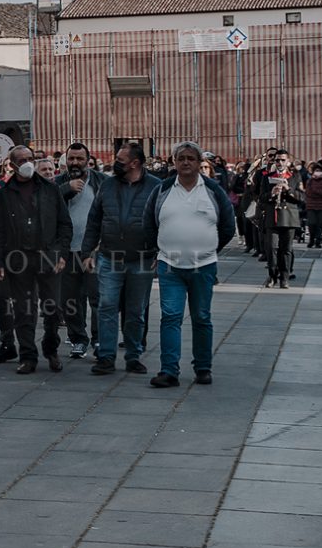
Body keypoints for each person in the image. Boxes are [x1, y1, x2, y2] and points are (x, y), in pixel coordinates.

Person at [147, 143, 237, 389]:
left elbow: (228, 225)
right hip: (169, 266)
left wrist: (210, 249)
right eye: (181, 158)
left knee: (201, 317)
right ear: (173, 162)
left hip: (203, 266)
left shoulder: (213, 191)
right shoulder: (162, 190)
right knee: (170, 317)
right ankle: (168, 371)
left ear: (199, 163)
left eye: (191, 158)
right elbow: (149, 223)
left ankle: (203, 368)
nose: (186, 163)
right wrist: (158, 249)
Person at [0, 145, 72, 375]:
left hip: (48, 256)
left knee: (53, 308)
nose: (26, 162)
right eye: (21, 159)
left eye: (30, 158)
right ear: (11, 165)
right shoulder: (3, 193)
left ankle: (51, 349)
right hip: (18, 258)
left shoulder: (50, 190)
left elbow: (64, 224)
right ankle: (27, 356)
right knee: (24, 311)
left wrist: (62, 253)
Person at [78, 141, 161, 378]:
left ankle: (133, 356)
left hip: (142, 258)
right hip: (109, 257)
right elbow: (94, 220)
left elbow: (161, 221)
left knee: (136, 310)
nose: (116, 163)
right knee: (106, 307)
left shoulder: (155, 187)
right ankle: (105, 357)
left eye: (121, 160)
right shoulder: (108, 185)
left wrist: (159, 252)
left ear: (135, 163)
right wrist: (86, 253)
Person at [47, 143, 101, 361]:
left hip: (93, 251)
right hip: (66, 252)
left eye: (80, 159)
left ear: (88, 160)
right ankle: (78, 339)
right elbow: (46, 206)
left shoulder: (101, 182)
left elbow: (108, 213)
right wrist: (66, 189)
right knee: (70, 300)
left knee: (98, 298)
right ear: (65, 160)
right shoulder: (57, 183)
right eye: (71, 159)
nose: (75, 163)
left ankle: (99, 339)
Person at [257, 153, 305, 288]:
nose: (279, 162)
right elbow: (261, 198)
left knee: (286, 249)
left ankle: (284, 277)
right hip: (272, 217)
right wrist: (272, 193)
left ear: (288, 161)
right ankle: (272, 276)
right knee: (271, 247)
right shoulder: (267, 177)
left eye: (282, 160)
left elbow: (302, 197)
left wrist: (288, 190)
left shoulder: (295, 176)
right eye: (277, 160)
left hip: (289, 218)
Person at [303, 162, 322, 249]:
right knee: (312, 223)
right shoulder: (309, 181)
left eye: (319, 171)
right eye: (316, 170)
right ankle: (311, 239)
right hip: (311, 206)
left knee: (319, 225)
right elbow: (309, 192)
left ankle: (318, 241)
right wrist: (320, 192)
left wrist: (315, 191)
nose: (318, 172)